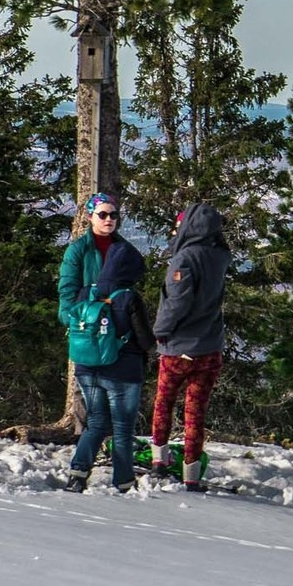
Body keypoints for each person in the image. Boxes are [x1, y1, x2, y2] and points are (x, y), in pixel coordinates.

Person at [60, 195, 155, 491]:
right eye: (102, 214)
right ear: (90, 217)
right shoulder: (79, 251)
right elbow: (67, 292)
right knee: (109, 421)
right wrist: (78, 321)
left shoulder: (123, 250)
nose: (109, 220)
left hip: (108, 335)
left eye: (114, 215)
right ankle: (121, 481)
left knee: (98, 419)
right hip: (89, 335)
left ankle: (80, 473)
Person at [149, 200, 232, 490]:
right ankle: (192, 473)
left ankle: (159, 460)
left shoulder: (184, 260)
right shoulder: (220, 256)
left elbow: (177, 303)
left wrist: (159, 331)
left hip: (179, 348)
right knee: (195, 412)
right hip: (210, 347)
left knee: (164, 403)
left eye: (178, 224)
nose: (175, 229)